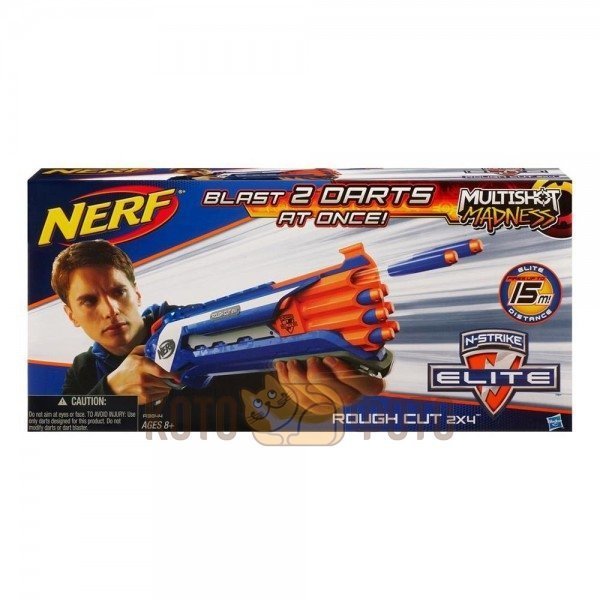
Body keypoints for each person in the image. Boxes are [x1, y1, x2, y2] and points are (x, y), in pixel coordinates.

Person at [51, 240, 384, 429]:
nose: (110, 309)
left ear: (136, 294)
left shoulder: (197, 325)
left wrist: (306, 400)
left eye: (118, 292)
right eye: (89, 301)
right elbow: (58, 429)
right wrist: (110, 393)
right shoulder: (84, 368)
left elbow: (275, 387)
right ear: (71, 315)